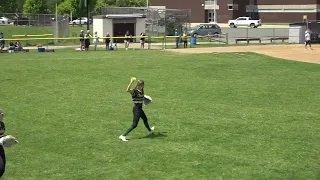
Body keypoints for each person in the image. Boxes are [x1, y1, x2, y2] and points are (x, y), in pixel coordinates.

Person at [0, 109, 19, 178]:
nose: (2, 116)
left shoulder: (1, 125)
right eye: (1, 115)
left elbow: (1, 134)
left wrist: (5, 138)